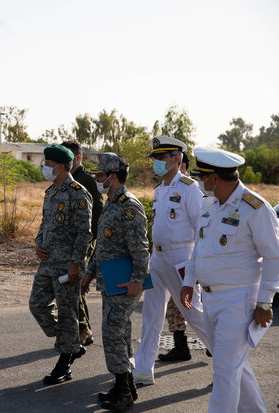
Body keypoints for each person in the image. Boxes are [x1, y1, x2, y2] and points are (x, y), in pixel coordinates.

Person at [181, 147, 279, 413]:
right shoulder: (209, 205)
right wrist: (189, 280)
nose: (200, 182)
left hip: (238, 301)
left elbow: (273, 257)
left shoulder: (255, 208)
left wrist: (265, 302)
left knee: (224, 372)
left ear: (214, 178)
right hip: (210, 298)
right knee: (235, 367)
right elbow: (199, 248)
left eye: (203, 177)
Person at [132, 137, 211, 385]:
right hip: (157, 257)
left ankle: (227, 362)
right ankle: (144, 369)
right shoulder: (160, 189)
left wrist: (196, 267)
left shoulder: (189, 188)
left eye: (161, 158)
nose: (156, 162)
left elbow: (202, 230)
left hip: (181, 257)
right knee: (152, 314)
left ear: (175, 160)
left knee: (194, 312)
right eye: (154, 158)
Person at [80, 153, 149, 411]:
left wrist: (137, 281)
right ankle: (125, 385)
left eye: (100, 175)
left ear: (113, 176)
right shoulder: (111, 203)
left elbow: (141, 250)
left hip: (125, 282)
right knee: (120, 332)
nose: (97, 179)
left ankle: (124, 391)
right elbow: (103, 245)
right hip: (110, 279)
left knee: (112, 332)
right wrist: (90, 271)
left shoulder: (129, 206)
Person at [30, 144, 93, 385]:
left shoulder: (78, 193)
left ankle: (65, 360)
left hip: (68, 267)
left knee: (67, 313)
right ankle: (71, 342)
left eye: (47, 163)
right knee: (36, 304)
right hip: (47, 263)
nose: (44, 167)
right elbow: (44, 225)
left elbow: (84, 233)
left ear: (59, 167)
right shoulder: (50, 192)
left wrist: (76, 264)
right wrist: (38, 243)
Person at [61, 140, 104, 346]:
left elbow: (98, 213)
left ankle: (83, 329)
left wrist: (89, 241)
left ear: (77, 158)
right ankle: (80, 328)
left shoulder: (87, 180)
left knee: (76, 285)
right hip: (65, 243)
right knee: (70, 286)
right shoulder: (63, 180)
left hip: (83, 241)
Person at [159, 150, 194, 362]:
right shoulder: (163, 189)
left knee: (193, 307)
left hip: (188, 258)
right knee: (174, 307)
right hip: (169, 259)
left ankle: (213, 344)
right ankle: (181, 347)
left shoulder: (192, 190)